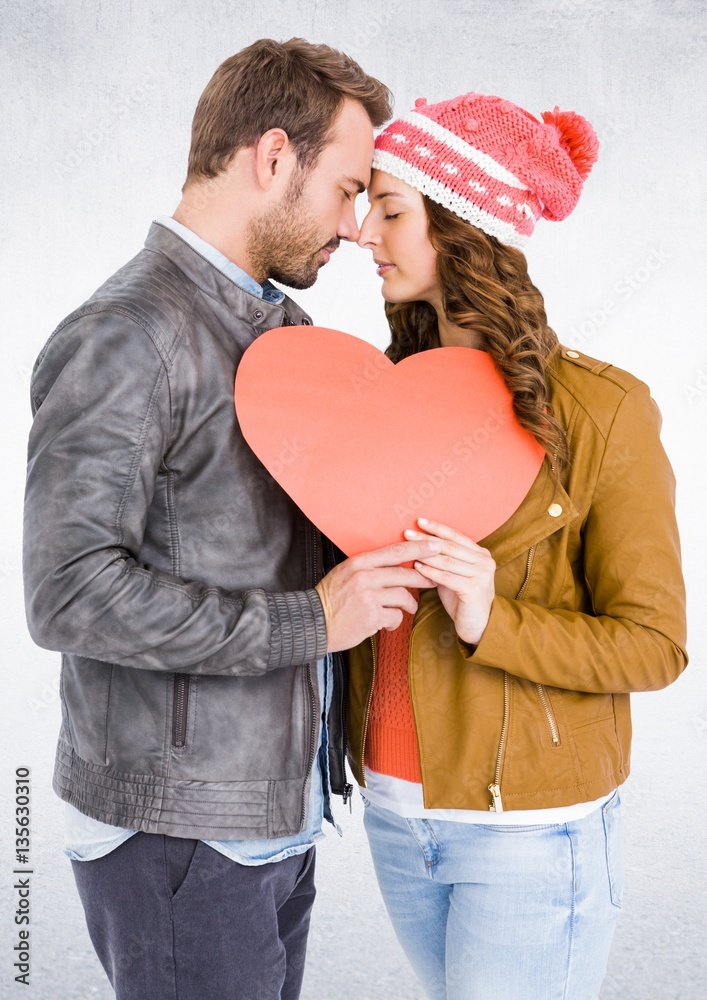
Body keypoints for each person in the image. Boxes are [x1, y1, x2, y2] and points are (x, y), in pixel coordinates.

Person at [22, 38, 441, 1000]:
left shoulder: (280, 334)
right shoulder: (128, 333)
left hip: (269, 815)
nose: (351, 226)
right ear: (270, 157)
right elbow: (66, 591)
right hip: (179, 832)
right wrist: (310, 622)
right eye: (344, 189)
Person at [342, 92, 688, 999]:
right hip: (393, 814)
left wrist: (493, 615)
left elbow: (655, 646)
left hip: (529, 834)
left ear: (462, 227)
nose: (361, 234)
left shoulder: (602, 412)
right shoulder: (380, 399)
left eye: (389, 210)